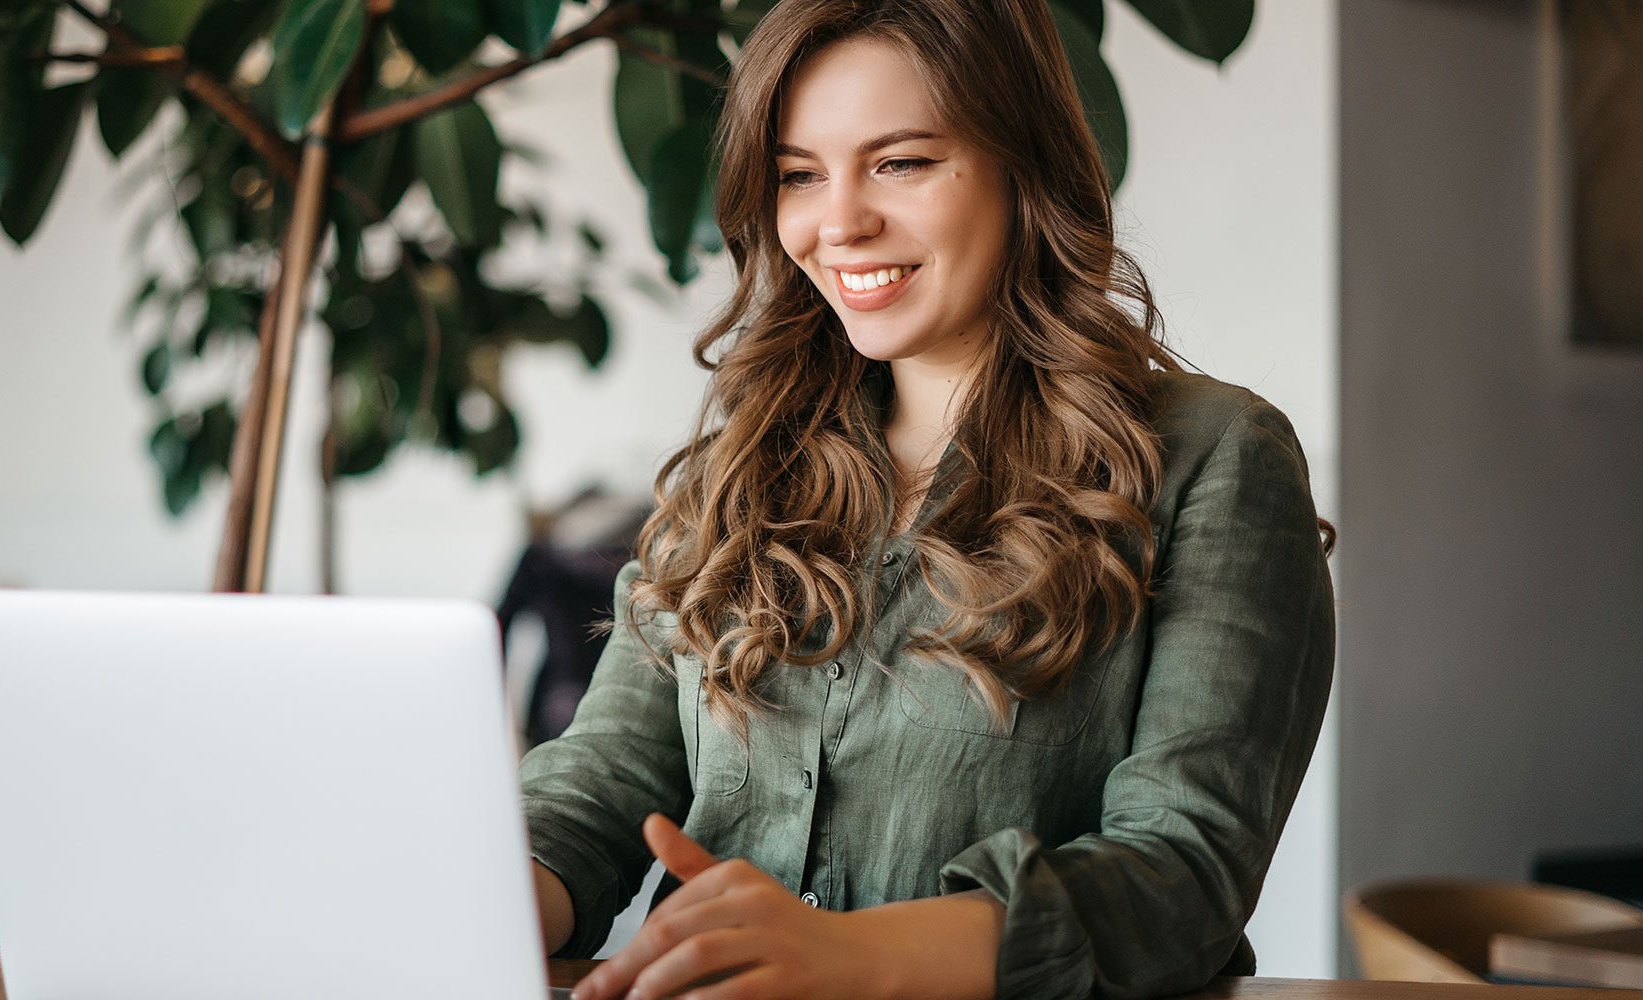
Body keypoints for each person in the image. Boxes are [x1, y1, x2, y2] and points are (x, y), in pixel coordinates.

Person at [518, 2, 1337, 998]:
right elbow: (600, 780)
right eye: (797, 174)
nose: (839, 223)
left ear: (1018, 162)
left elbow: (1181, 870)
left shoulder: (1210, 459)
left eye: (900, 162)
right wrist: (481, 896)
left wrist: (849, 960)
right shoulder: (739, 465)